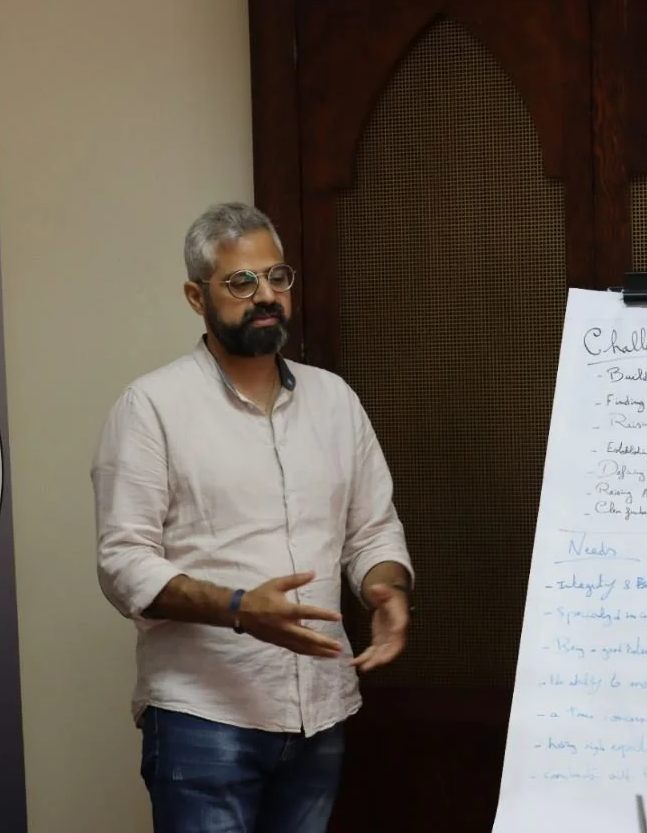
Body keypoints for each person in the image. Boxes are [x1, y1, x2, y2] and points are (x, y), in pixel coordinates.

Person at [92, 201, 415, 833]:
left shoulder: (334, 400)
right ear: (196, 296)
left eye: (276, 277)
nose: (266, 296)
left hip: (321, 710)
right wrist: (240, 608)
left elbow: (372, 530)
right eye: (241, 282)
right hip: (204, 716)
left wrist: (387, 588)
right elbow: (122, 564)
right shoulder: (151, 407)